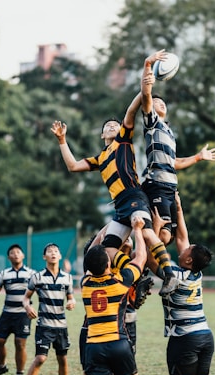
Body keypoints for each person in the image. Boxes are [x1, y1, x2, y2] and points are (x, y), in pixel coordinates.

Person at [51, 81, 176, 296]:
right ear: (101, 136)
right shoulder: (100, 158)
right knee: (108, 250)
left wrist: (143, 90)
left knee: (146, 233)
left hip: (134, 195)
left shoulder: (123, 142)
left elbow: (130, 111)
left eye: (114, 125)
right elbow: (73, 166)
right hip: (120, 207)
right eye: (106, 126)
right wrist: (62, 140)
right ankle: (136, 275)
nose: (111, 126)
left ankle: (169, 274)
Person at [140, 49, 215, 246]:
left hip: (171, 187)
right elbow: (146, 95)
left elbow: (174, 162)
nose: (161, 103)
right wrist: (148, 65)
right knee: (158, 236)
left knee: (169, 237)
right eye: (157, 102)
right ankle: (144, 269)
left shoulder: (168, 133)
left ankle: (163, 270)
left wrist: (198, 157)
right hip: (156, 185)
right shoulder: (152, 124)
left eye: (163, 102)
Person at [149, 191, 215, 375]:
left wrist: (156, 227)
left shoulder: (176, 276)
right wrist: (178, 208)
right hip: (205, 336)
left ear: (189, 260)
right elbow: (182, 238)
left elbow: (152, 261)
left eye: (189, 249)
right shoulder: (196, 274)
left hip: (185, 339)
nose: (185, 247)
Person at [81, 215, 148, 375]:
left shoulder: (85, 283)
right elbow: (141, 257)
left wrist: (109, 229)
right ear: (108, 264)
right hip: (119, 343)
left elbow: (92, 251)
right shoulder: (121, 281)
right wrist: (137, 229)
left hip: (94, 346)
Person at [0, 244, 36, 375]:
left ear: (23, 256)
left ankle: (19, 374)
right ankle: (1, 367)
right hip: (7, 313)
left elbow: (40, 289)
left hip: (23, 315)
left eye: (18, 252)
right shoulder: (4, 273)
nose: (15, 254)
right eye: (12, 252)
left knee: (20, 343)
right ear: (9, 257)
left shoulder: (31, 273)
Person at [22, 243, 75, 375]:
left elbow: (71, 297)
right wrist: (27, 306)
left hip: (61, 326)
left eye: (56, 251)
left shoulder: (67, 278)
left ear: (60, 256)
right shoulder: (37, 277)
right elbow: (26, 298)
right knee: (40, 358)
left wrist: (71, 302)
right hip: (44, 325)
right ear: (44, 256)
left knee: (62, 359)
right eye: (50, 251)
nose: (53, 253)